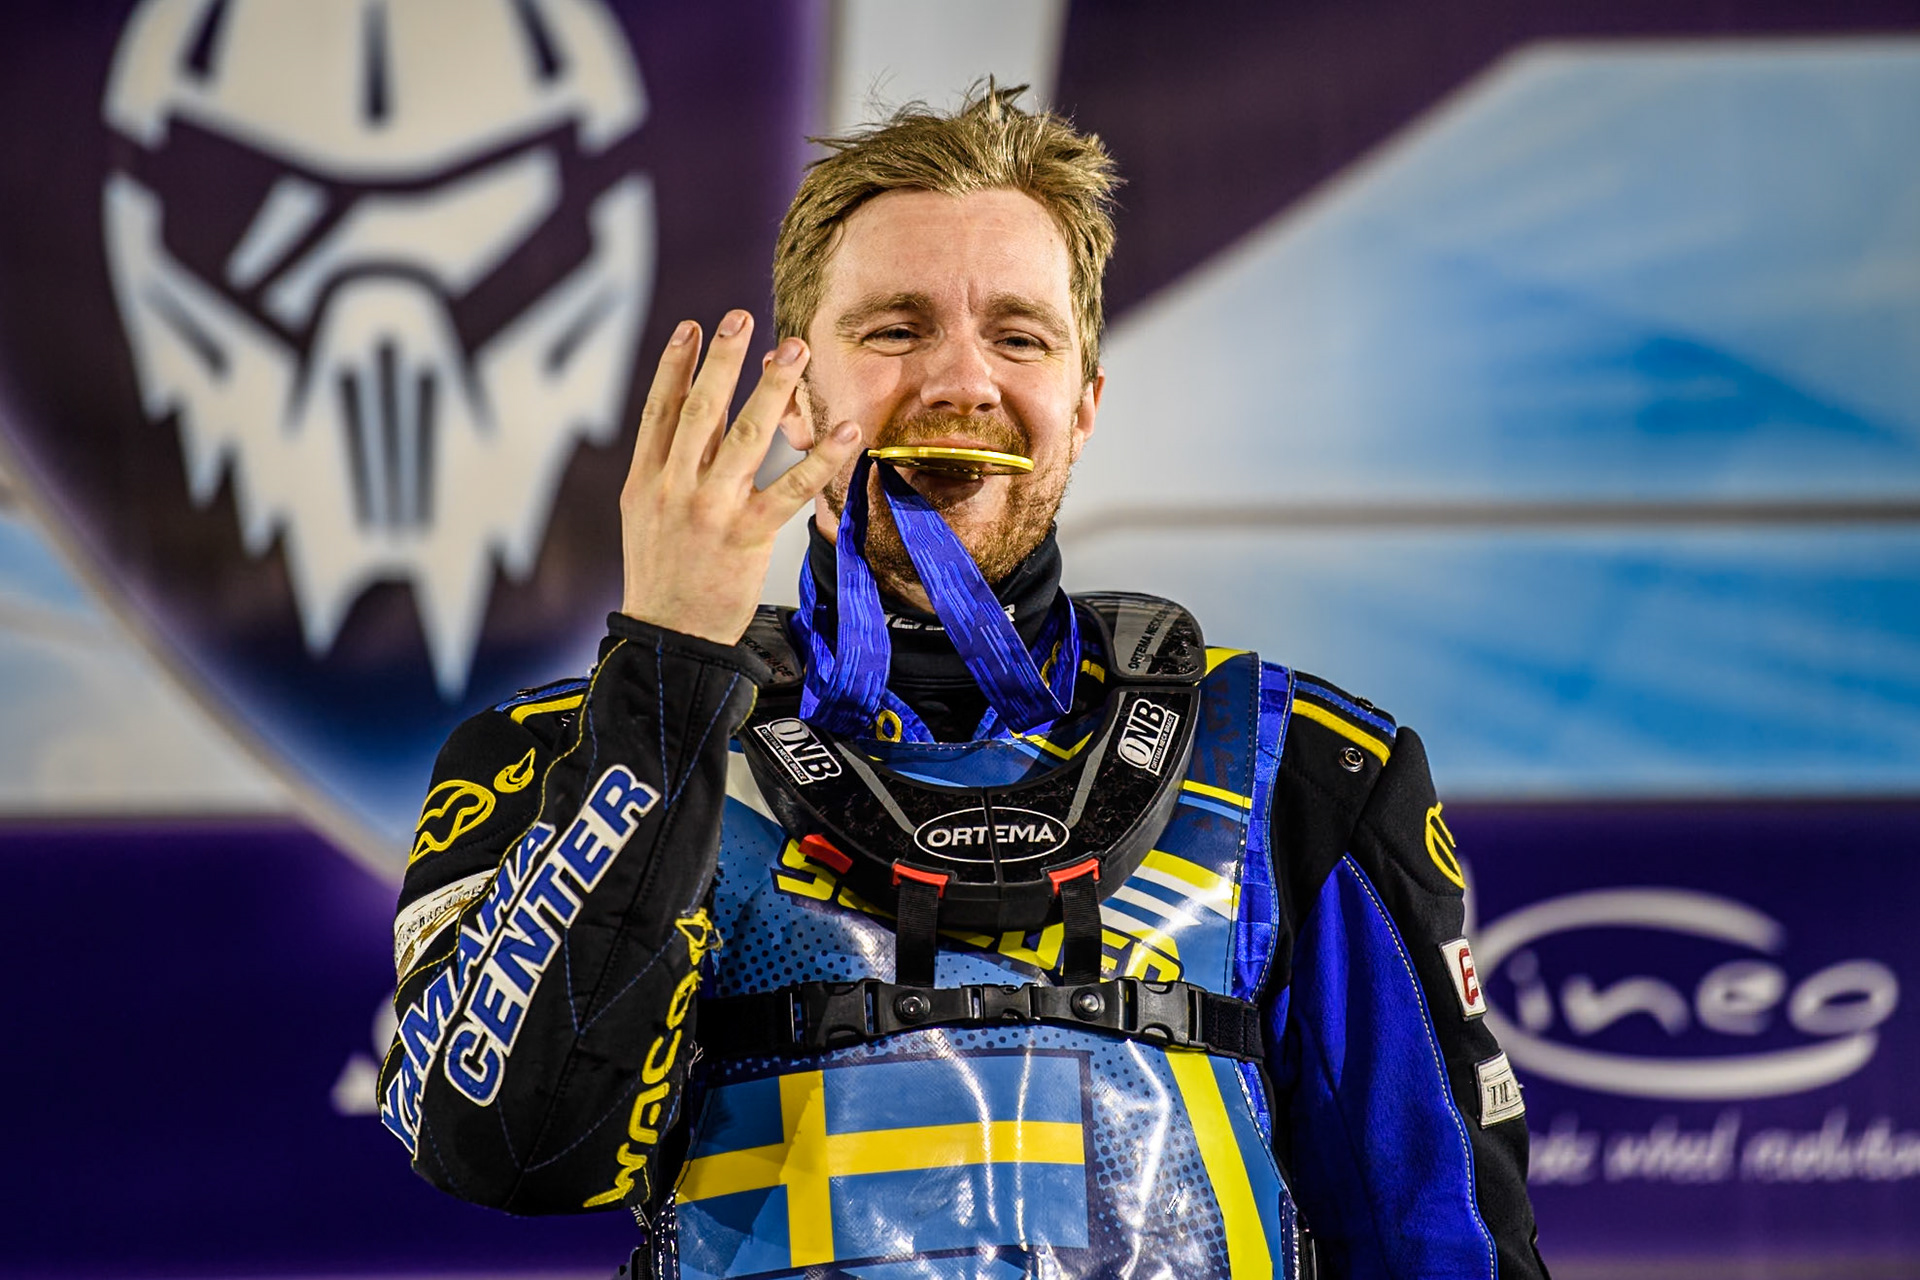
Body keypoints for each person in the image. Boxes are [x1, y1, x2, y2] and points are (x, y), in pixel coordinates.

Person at [379, 85, 1551, 1280]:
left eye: (1021, 336)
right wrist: (671, 679)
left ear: (1085, 404)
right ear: (798, 397)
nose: (960, 380)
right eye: (894, 328)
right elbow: (514, 1149)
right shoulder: (562, 751)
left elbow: (1446, 1242)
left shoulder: (1303, 765)